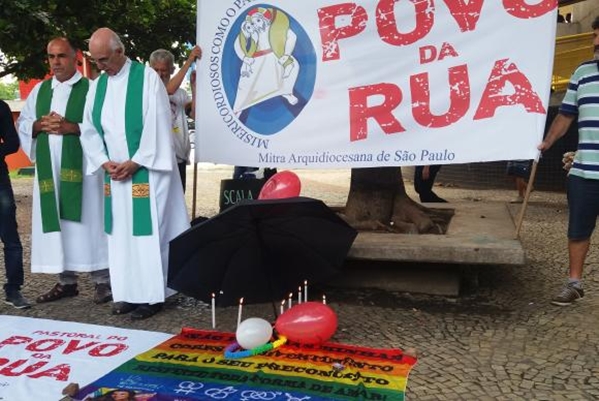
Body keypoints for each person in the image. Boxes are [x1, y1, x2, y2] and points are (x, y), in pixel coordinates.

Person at [80, 28, 190, 320]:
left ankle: (153, 295)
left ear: (120, 51)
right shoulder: (97, 86)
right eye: (95, 59)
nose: (100, 65)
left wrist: (136, 161)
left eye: (104, 59)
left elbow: (158, 124)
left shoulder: (147, 79)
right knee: (120, 235)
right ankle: (127, 293)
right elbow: (88, 128)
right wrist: (104, 161)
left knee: (148, 233)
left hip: (147, 173)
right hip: (115, 175)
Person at [16, 37, 111, 305]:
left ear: (76, 58)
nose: (56, 62)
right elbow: (23, 123)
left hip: (84, 172)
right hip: (50, 173)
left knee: (89, 223)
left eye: (62, 56)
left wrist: (73, 127)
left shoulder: (91, 89)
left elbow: (105, 126)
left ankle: (102, 281)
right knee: (58, 224)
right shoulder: (40, 90)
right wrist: (37, 125)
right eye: (51, 56)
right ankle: (66, 282)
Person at [537, 16, 599, 307]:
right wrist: (547, 142)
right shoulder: (582, 73)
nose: (595, 42)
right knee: (577, 229)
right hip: (584, 171)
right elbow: (565, 116)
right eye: (594, 36)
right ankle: (574, 283)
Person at [149, 46, 202, 192]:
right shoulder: (147, 90)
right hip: (159, 158)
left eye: (164, 70)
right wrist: (190, 59)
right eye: (156, 70)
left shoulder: (181, 93)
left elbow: (194, 115)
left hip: (179, 157)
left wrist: (194, 88)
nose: (160, 74)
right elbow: (168, 90)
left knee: (178, 201)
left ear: (171, 70)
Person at [0, 100, 31, 309]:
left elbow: (12, 142)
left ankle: (13, 289)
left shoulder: (0, 107)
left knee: (10, 238)